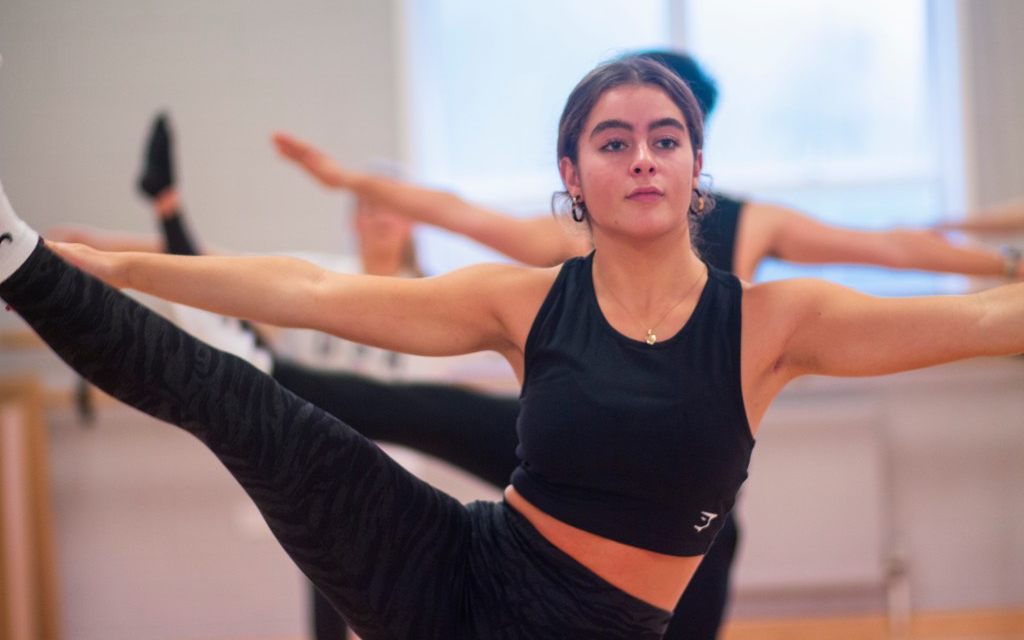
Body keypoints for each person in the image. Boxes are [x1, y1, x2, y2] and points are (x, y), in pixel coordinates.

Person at [4, 55, 1023, 639]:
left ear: (695, 167)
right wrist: (123, 266)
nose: (642, 157)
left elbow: (984, 319)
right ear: (572, 175)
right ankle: (19, 256)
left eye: (665, 138)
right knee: (237, 398)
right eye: (613, 141)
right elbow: (312, 292)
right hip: (449, 569)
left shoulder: (774, 322)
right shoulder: (526, 301)